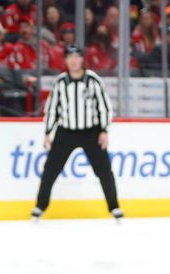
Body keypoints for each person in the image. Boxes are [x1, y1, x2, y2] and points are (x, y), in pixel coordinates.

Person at [33, 45, 122, 221]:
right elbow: (52, 109)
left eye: (77, 56)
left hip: (92, 132)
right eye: (70, 57)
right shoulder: (60, 82)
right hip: (66, 132)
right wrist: (48, 132)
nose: (73, 60)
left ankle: (114, 207)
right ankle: (40, 206)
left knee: (104, 171)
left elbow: (104, 107)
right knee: (50, 170)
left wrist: (104, 130)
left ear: (82, 59)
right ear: (65, 60)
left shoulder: (93, 80)